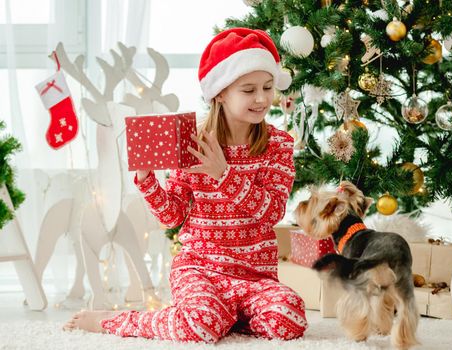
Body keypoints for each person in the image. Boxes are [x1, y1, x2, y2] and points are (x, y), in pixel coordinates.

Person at [63, 27, 307, 342]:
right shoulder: (190, 141)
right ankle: (117, 320)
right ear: (221, 92)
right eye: (248, 90)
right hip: (200, 269)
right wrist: (146, 180)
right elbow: (172, 217)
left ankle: (224, 314)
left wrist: (224, 174)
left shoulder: (278, 144)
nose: (262, 99)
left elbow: (271, 212)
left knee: (290, 318)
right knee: (201, 325)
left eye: (268, 87)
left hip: (254, 276)